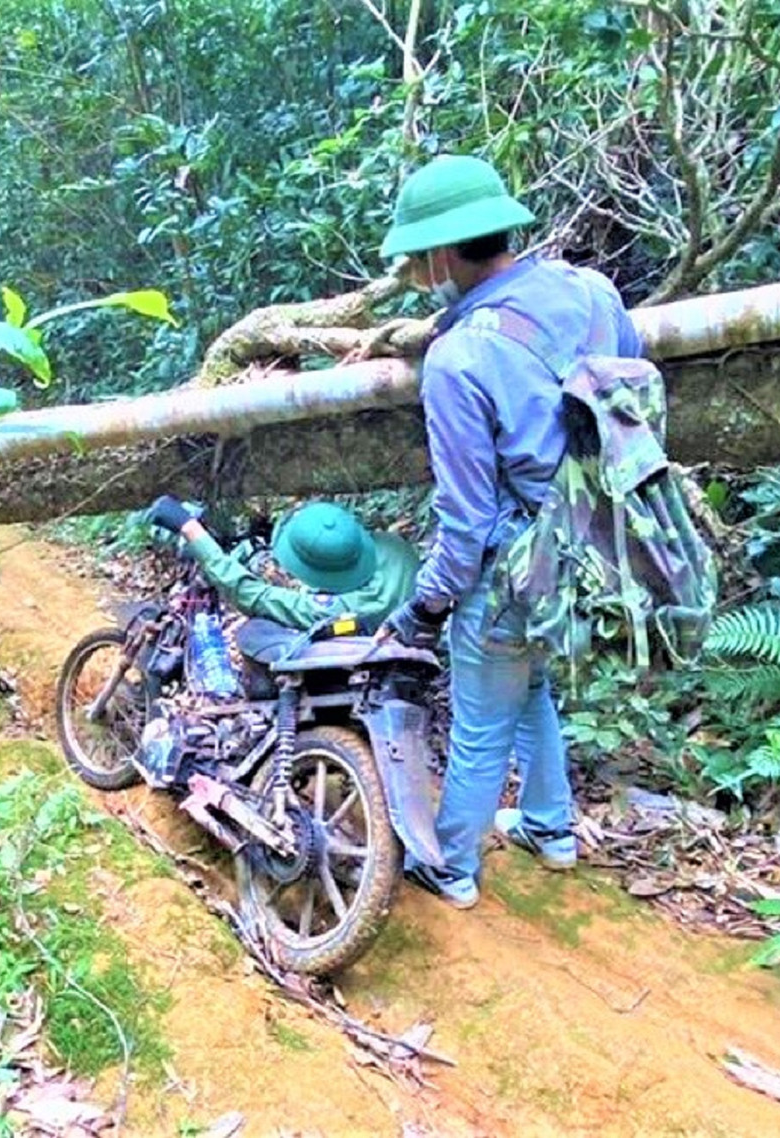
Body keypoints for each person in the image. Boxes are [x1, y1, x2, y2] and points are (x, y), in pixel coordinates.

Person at [376, 154, 643, 909]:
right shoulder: (593, 292)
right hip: (598, 545)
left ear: (436, 253)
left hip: (514, 568)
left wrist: (425, 606)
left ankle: (452, 865)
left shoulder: (457, 359)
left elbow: (463, 521)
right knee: (533, 688)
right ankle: (551, 828)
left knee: (483, 716)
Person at [146, 495, 418, 633]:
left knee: (257, 636)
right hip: (413, 639)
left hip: (359, 651)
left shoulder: (339, 610)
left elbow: (251, 594)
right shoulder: (397, 549)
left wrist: (191, 529)